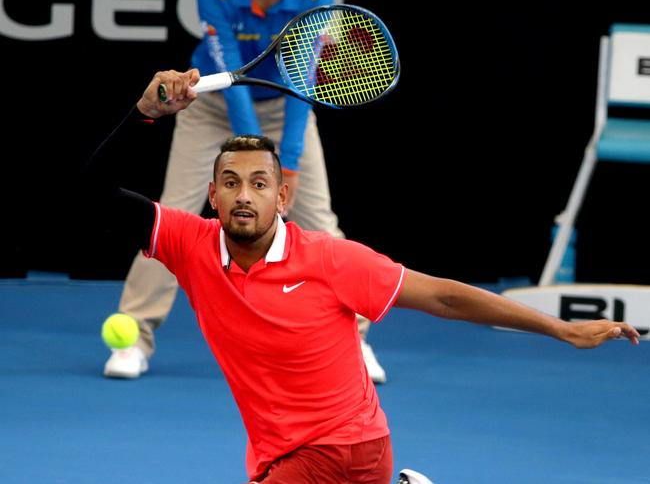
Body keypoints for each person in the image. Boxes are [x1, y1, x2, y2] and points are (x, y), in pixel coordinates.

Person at [86, 69, 640, 484]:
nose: (244, 195)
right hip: (278, 451)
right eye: (230, 182)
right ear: (212, 196)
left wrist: (561, 330)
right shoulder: (191, 244)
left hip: (348, 446)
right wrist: (145, 114)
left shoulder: (333, 259)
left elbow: (444, 298)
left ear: (282, 197)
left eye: (259, 183)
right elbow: (85, 196)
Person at [103, 0, 387, 383]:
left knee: (320, 220)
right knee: (172, 213)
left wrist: (286, 161)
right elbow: (230, 67)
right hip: (211, 107)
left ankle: (354, 340)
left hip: (288, 105)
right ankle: (134, 336)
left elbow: (303, 77)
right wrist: (254, 154)